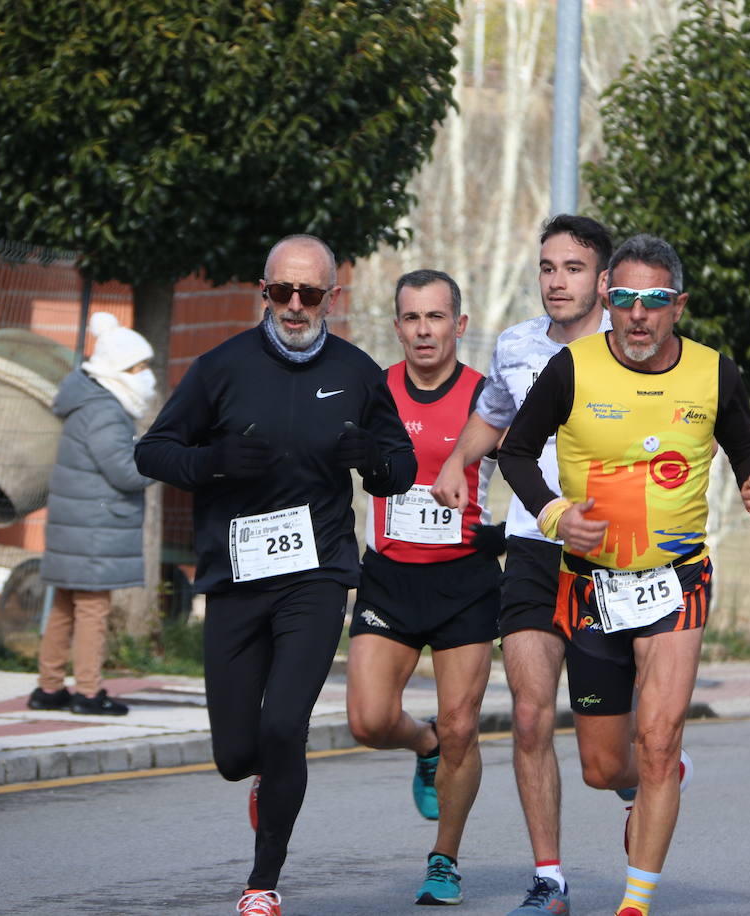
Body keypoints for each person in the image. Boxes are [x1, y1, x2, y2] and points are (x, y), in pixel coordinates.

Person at [134, 234, 416, 916]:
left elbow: (400, 466)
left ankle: (263, 882)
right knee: (237, 753)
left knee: (285, 725)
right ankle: (261, 777)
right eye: (281, 293)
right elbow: (153, 452)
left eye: (310, 294)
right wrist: (213, 462)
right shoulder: (221, 367)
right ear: (265, 293)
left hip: (316, 576)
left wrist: (371, 461)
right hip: (236, 575)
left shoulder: (356, 372)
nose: (295, 306)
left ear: (330, 298)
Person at [498, 234, 750, 916]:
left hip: (677, 579)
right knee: (603, 767)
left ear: (678, 306)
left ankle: (635, 902)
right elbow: (516, 454)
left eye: (655, 301)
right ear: (606, 300)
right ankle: (659, 780)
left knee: (657, 740)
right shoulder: (570, 368)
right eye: (624, 299)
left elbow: (746, 443)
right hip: (593, 585)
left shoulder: (715, 374)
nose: (639, 315)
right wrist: (557, 515)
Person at [431, 213, 615, 915]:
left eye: (571, 268)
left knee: (613, 758)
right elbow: (493, 413)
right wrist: (456, 462)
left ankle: (643, 778)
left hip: (610, 554)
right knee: (533, 719)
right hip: (534, 544)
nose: (556, 281)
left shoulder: (627, 346)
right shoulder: (514, 344)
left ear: (602, 280)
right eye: (547, 267)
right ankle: (550, 880)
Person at [345, 269, 503, 906]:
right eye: (411, 319)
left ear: (458, 325)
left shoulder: (487, 396)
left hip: (464, 579)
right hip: (388, 576)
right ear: (397, 327)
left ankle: (445, 857)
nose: (423, 331)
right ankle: (423, 740)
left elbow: (533, 467)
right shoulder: (374, 390)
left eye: (435, 317)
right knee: (368, 720)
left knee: (464, 724)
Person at [27, 312, 156, 716]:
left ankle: (49, 688)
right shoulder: (104, 409)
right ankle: (87, 692)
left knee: (65, 605)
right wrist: (162, 461)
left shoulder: (89, 401)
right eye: (140, 367)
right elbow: (124, 470)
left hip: (78, 524)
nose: (147, 375)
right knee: (92, 610)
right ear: (118, 370)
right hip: (95, 527)